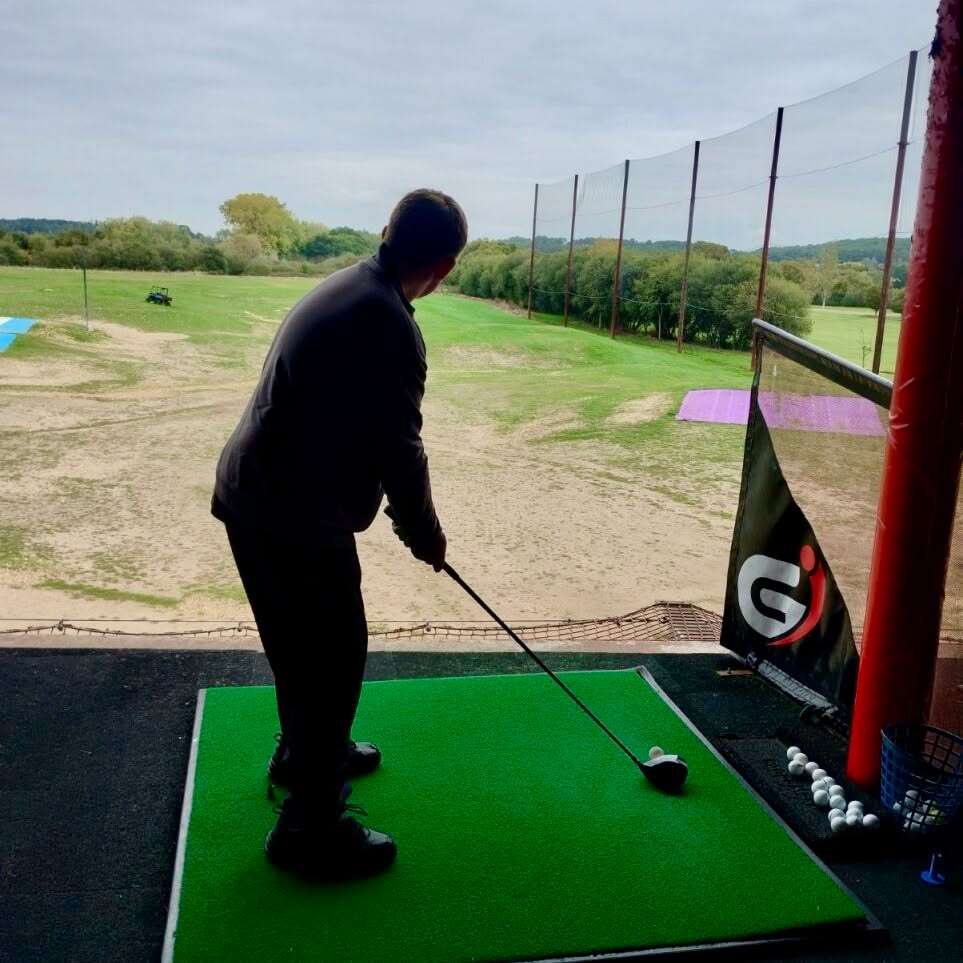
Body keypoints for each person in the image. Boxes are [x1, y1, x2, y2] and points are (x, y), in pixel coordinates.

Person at [211, 189, 467, 879]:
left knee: (305, 651)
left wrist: (413, 527)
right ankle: (309, 827)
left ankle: (304, 755)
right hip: (285, 512)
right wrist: (425, 534)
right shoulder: (388, 322)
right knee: (329, 658)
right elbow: (400, 449)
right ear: (443, 268)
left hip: (265, 500)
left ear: (386, 232)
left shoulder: (357, 286)